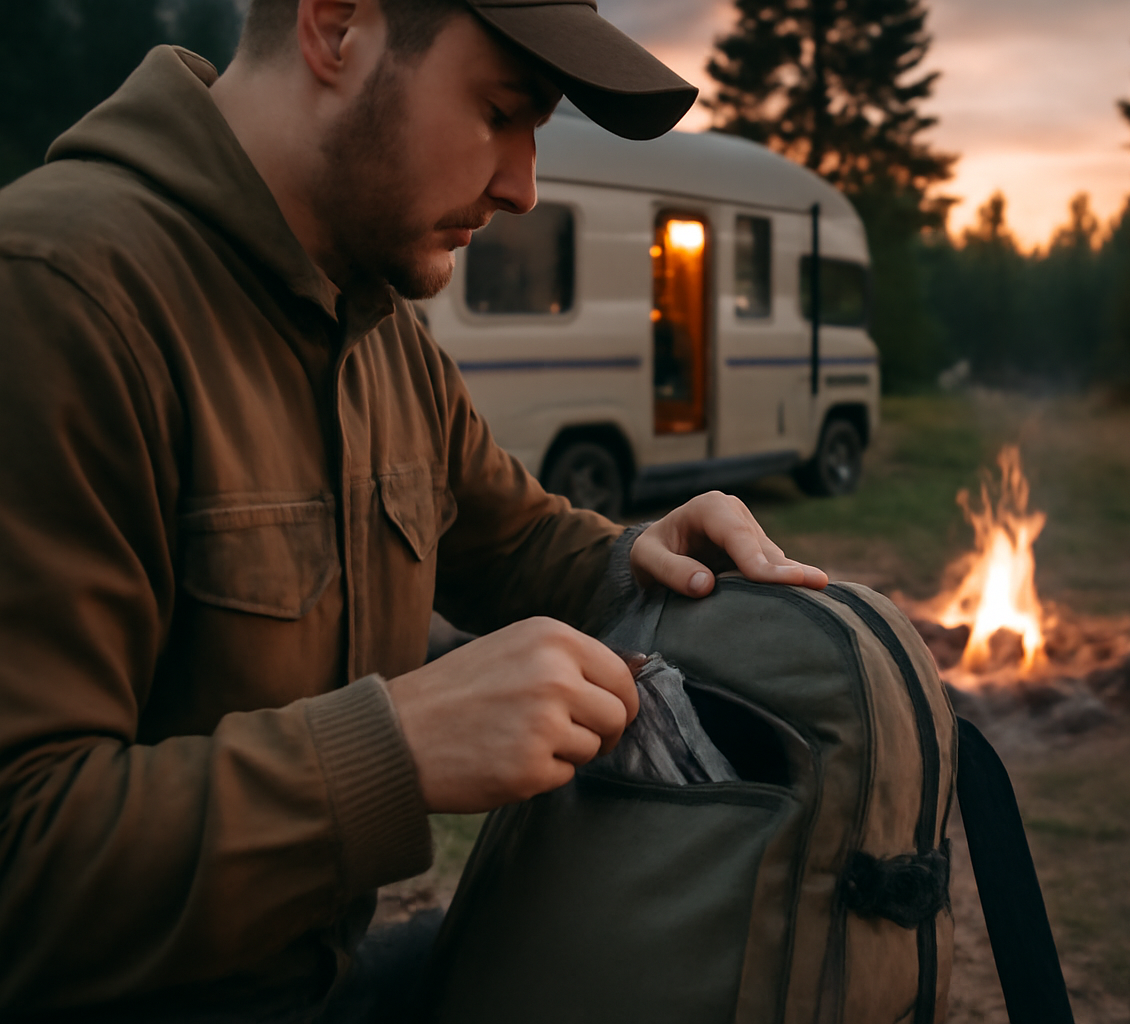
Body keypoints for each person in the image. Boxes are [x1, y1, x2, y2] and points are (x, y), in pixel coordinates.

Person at [0, 1, 828, 1019]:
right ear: (337, 26)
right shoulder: (56, 296)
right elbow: (22, 854)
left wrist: (645, 555)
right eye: (500, 111)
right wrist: (394, 749)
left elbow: (515, 537)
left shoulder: (378, 330)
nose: (524, 186)